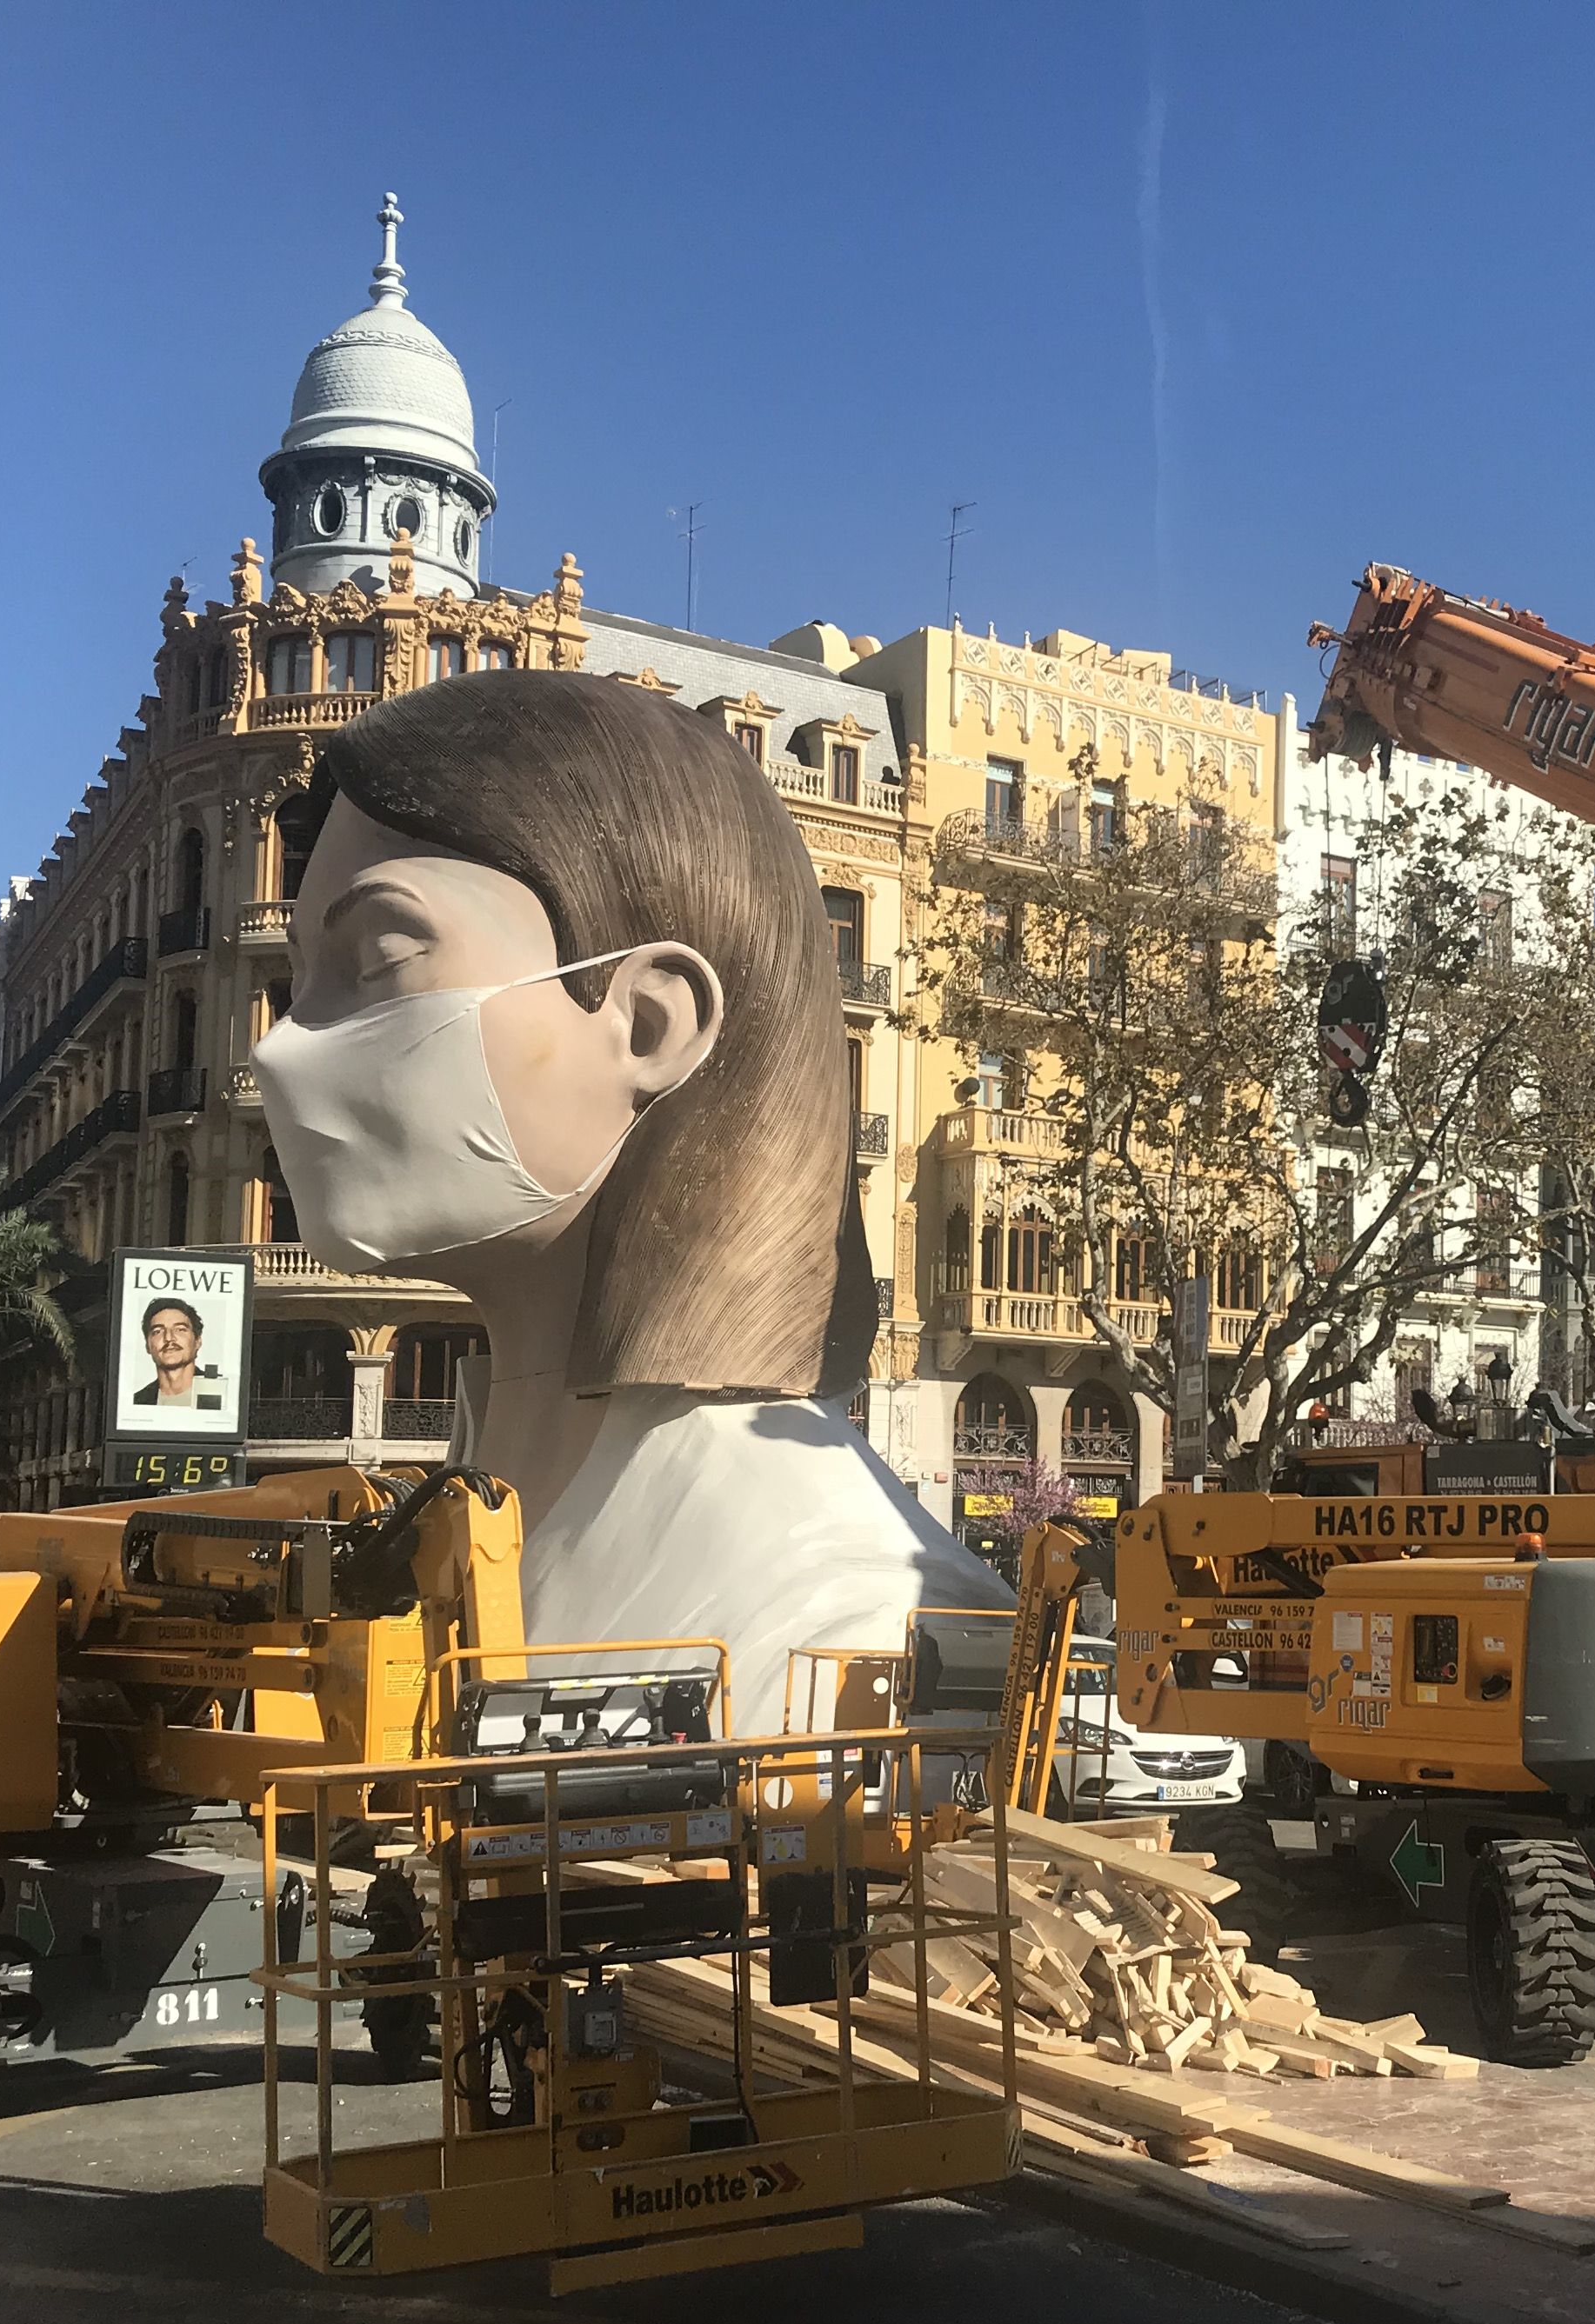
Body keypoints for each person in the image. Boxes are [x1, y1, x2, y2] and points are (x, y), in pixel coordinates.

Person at [254, 669, 1005, 1723]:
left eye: (378, 957)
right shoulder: (475, 1523)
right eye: (296, 985)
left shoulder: (846, 1629)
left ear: (650, 1025)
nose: (281, 1049)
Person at [129, 1296, 223, 1410]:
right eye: (158, 1331)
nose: (169, 1338)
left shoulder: (223, 1392)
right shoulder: (136, 1402)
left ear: (197, 1341)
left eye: (180, 1329)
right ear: (147, 1345)